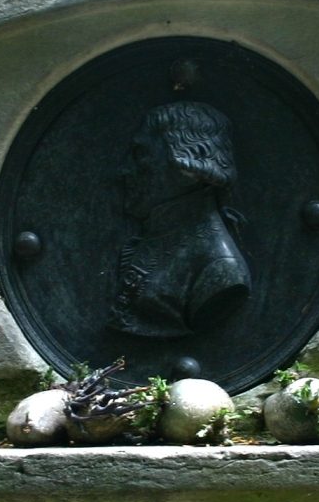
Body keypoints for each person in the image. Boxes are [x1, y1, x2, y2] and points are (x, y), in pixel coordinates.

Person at [108, 101, 252, 338]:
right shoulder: (155, 239)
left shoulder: (220, 270)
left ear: (187, 170)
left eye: (140, 155)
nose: (125, 170)